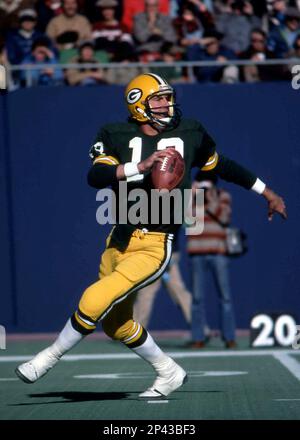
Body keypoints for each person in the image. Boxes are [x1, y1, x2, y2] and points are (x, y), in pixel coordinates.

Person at [15, 72, 287, 399]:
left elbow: (222, 165)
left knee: (94, 297)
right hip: (118, 239)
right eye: (159, 98)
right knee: (116, 325)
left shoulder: (190, 132)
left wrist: (266, 191)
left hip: (155, 242)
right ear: (138, 104)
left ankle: (49, 357)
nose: (167, 103)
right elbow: (96, 175)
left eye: (168, 97)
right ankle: (168, 371)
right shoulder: (114, 133)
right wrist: (140, 167)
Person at [187, 172, 236, 348]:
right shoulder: (190, 198)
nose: (204, 186)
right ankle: (198, 338)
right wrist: (191, 196)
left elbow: (224, 217)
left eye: (207, 184)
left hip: (218, 251)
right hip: (197, 252)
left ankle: (229, 338)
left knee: (225, 297)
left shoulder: (223, 196)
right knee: (197, 298)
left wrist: (208, 197)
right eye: (201, 183)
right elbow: (186, 223)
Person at [134, 229, 193, 328]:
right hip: (152, 256)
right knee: (145, 295)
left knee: (179, 292)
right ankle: (136, 333)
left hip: (168, 255)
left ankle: (199, 330)